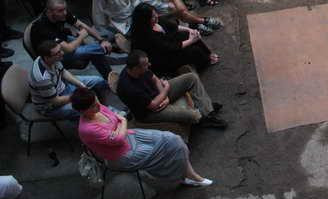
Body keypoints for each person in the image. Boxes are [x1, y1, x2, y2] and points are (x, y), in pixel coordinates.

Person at [72, 87, 213, 188]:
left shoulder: (98, 108)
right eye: (92, 106)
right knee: (167, 152)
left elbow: (119, 122)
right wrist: (122, 123)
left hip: (130, 136)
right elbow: (119, 128)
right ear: (82, 111)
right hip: (121, 155)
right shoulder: (87, 129)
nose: (98, 105)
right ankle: (188, 176)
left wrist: (120, 127)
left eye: (96, 100)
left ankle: (186, 174)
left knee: (174, 139)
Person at [117, 50, 227, 128]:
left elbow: (155, 79)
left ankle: (207, 111)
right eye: (146, 64)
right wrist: (166, 91)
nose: (149, 65)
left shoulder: (138, 69)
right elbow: (153, 105)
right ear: (136, 68)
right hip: (150, 112)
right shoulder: (128, 88)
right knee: (192, 115)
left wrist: (164, 95)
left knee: (191, 78)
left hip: (159, 95)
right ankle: (202, 117)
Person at [29, 0, 119, 79]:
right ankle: (111, 49)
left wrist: (101, 40)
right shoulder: (43, 28)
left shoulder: (62, 14)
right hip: (53, 56)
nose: (65, 13)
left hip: (61, 41)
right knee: (95, 50)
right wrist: (81, 36)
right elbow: (69, 49)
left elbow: (83, 26)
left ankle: (109, 76)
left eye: (65, 9)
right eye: (60, 11)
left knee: (94, 49)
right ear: (49, 12)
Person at [28, 39, 110, 120]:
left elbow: (63, 72)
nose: (62, 53)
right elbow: (56, 101)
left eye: (60, 50)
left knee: (98, 81)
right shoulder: (42, 78)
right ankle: (100, 118)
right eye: (58, 53)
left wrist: (81, 85)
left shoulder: (52, 58)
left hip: (63, 87)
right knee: (88, 108)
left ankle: (103, 107)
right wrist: (81, 96)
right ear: (47, 58)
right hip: (51, 107)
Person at [127, 3, 217, 75]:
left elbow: (173, 27)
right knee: (193, 50)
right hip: (162, 58)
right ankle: (205, 62)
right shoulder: (146, 36)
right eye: (153, 17)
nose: (156, 16)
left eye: (155, 14)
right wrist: (191, 40)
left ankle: (208, 54)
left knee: (187, 34)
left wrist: (190, 30)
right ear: (145, 20)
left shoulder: (155, 21)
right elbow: (170, 47)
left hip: (167, 43)